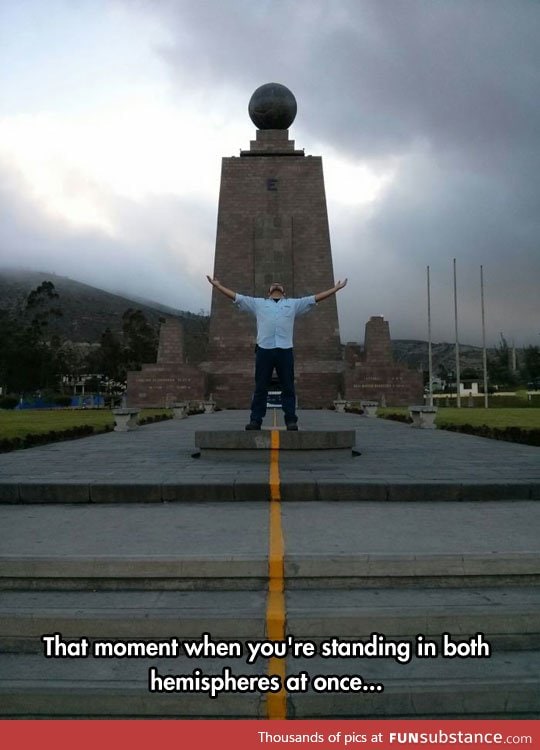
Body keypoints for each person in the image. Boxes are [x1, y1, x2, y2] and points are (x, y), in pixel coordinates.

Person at [206, 275, 348, 430]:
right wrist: (218, 286)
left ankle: (291, 420)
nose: (276, 286)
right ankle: (255, 420)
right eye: (274, 285)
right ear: (268, 293)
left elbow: (314, 299)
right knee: (261, 387)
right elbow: (236, 297)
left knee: (288, 387)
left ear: (284, 292)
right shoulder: (258, 304)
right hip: (264, 350)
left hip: (285, 350)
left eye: (279, 285)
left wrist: (335, 289)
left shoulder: (293, 304)